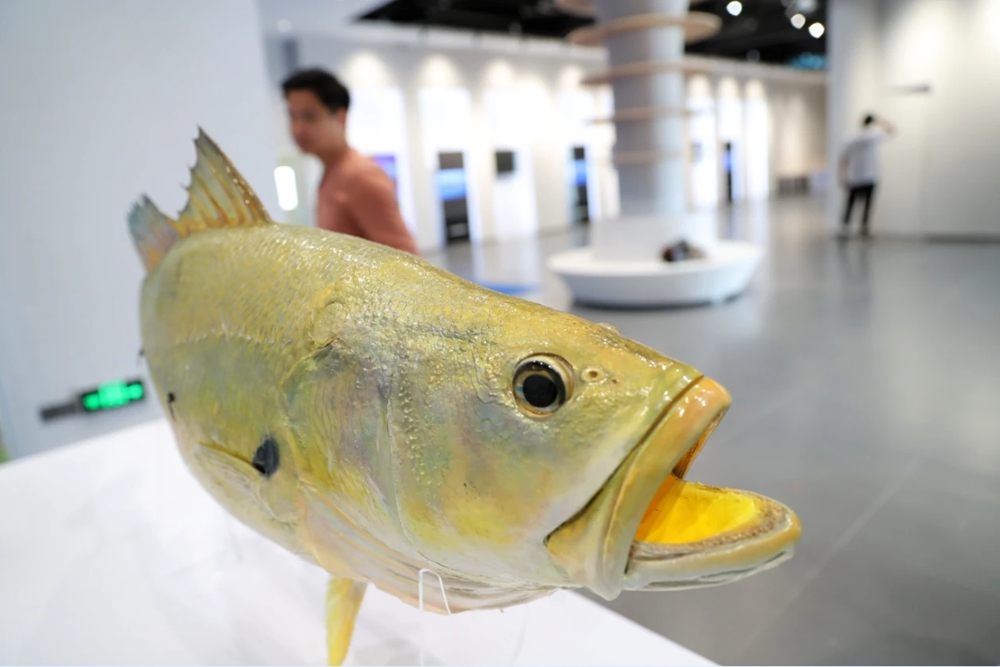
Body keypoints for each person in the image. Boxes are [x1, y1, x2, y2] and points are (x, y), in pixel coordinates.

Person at [282, 68, 418, 255]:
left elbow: (406, 259)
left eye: (309, 116)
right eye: (292, 117)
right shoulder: (332, 173)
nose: (297, 129)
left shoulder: (360, 177)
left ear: (340, 117)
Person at [838, 113, 896, 238]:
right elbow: (891, 128)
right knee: (866, 205)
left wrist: (842, 176)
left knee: (851, 203)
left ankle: (846, 228)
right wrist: (879, 121)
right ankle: (862, 228)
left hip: (855, 175)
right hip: (869, 175)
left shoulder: (851, 137)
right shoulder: (874, 135)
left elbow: (843, 159)